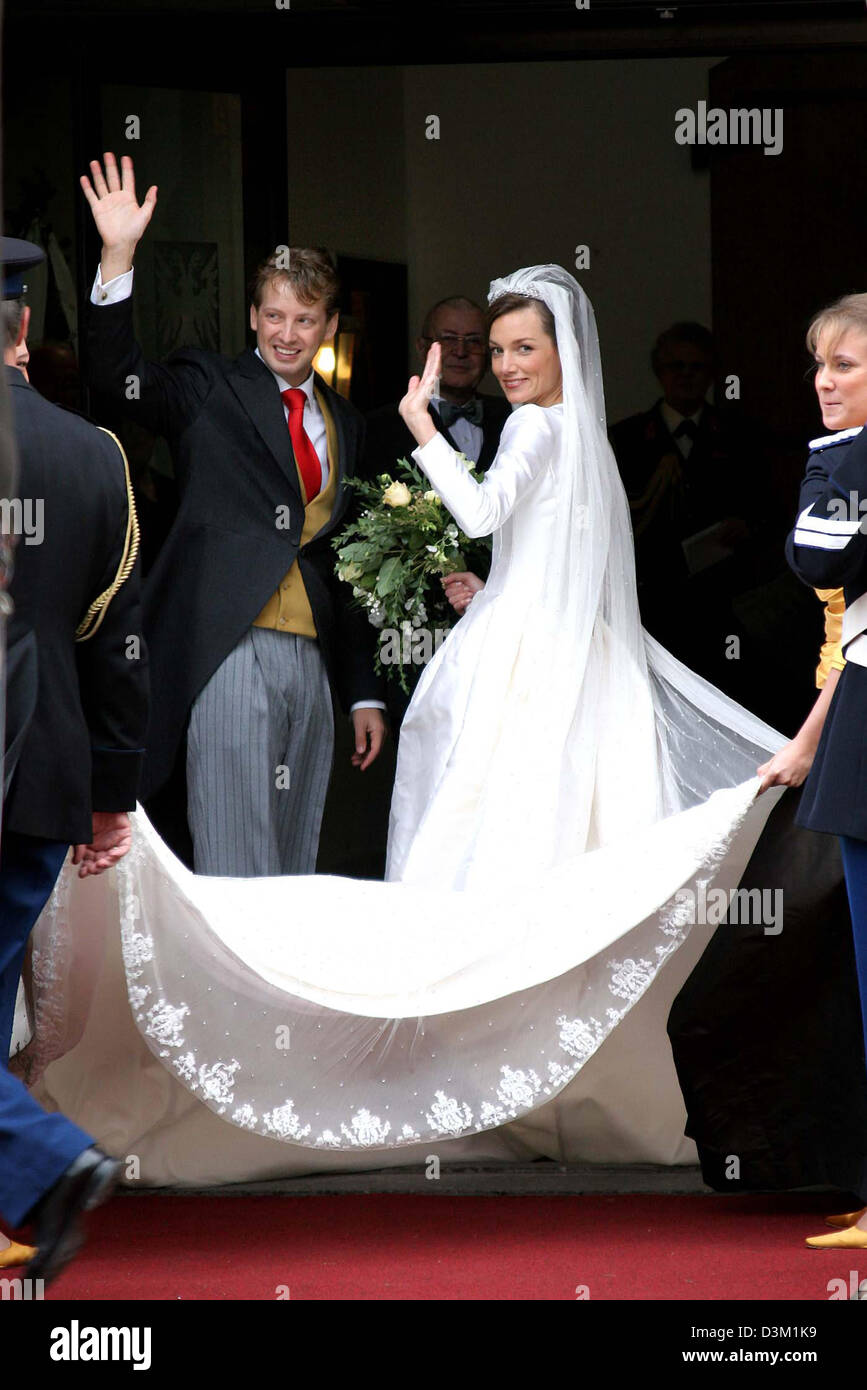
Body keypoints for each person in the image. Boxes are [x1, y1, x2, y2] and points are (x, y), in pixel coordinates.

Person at [15, 264, 793, 1192]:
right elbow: (534, 546)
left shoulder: (527, 426)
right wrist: (494, 585)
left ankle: (437, 1067)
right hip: (319, 651)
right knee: (520, 857)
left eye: (521, 348)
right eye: (497, 349)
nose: (504, 366)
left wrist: (421, 425)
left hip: (488, 668)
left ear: (560, 355)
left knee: (472, 857)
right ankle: (510, 1071)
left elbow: (481, 509)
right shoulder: (567, 432)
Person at [81, 153, 386, 876]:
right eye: (273, 315)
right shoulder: (208, 386)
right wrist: (118, 255)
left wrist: (363, 692)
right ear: (252, 316)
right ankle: (231, 994)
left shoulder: (347, 421)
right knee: (234, 857)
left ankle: (279, 992)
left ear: (329, 325)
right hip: (226, 646)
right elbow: (116, 386)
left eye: (305, 319)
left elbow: (346, 568)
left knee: (294, 854)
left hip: (309, 659)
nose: (287, 332)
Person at [0, 236, 147, 1282]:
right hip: (43, 768)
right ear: (21, 332)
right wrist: (110, 790)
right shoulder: (94, 454)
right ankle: (25, 1207)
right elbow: (114, 640)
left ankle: (56, 1160)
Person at [786, 291, 867, 1249]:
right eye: (820, 365)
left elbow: (812, 563)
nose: (823, 380)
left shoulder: (846, 459)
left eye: (844, 365)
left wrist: (835, 459)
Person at [361, 296, 510, 724]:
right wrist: (367, 695)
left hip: (502, 646)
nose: (462, 351)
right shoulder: (379, 427)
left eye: (474, 341)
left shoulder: (520, 420)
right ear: (424, 346)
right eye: (448, 340)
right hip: (412, 650)